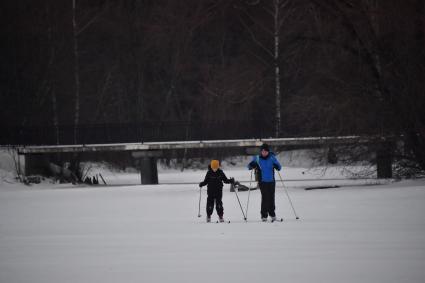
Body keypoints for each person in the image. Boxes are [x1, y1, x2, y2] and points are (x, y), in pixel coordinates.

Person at [248, 143, 282, 222]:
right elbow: (249, 167)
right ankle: (264, 215)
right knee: (265, 197)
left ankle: (272, 213)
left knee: (271, 197)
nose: (263, 152)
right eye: (262, 151)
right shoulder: (257, 158)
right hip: (262, 181)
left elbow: (279, 167)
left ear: (268, 151)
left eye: (265, 151)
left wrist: (277, 166)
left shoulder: (272, 158)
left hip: (271, 181)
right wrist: (252, 164)